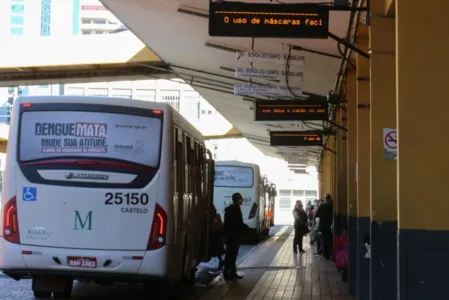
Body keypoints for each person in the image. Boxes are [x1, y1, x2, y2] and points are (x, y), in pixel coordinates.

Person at [223, 192, 249, 280]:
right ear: (236, 200)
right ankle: (228, 273)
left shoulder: (233, 208)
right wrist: (245, 228)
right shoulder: (234, 209)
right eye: (240, 198)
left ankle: (232, 273)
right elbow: (237, 223)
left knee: (231, 255)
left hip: (231, 235)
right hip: (233, 236)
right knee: (231, 255)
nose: (242, 200)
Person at [316, 194, 334, 260]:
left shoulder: (322, 206)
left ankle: (325, 254)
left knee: (324, 240)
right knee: (329, 240)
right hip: (330, 225)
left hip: (322, 226)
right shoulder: (333, 206)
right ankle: (330, 253)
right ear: (330, 198)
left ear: (325, 199)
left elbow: (317, 215)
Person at [209, 204, 225, 269]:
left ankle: (221, 260)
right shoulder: (216, 216)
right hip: (215, 234)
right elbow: (220, 225)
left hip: (214, 234)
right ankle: (221, 261)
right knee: (217, 249)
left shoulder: (213, 216)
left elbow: (220, 225)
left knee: (216, 249)